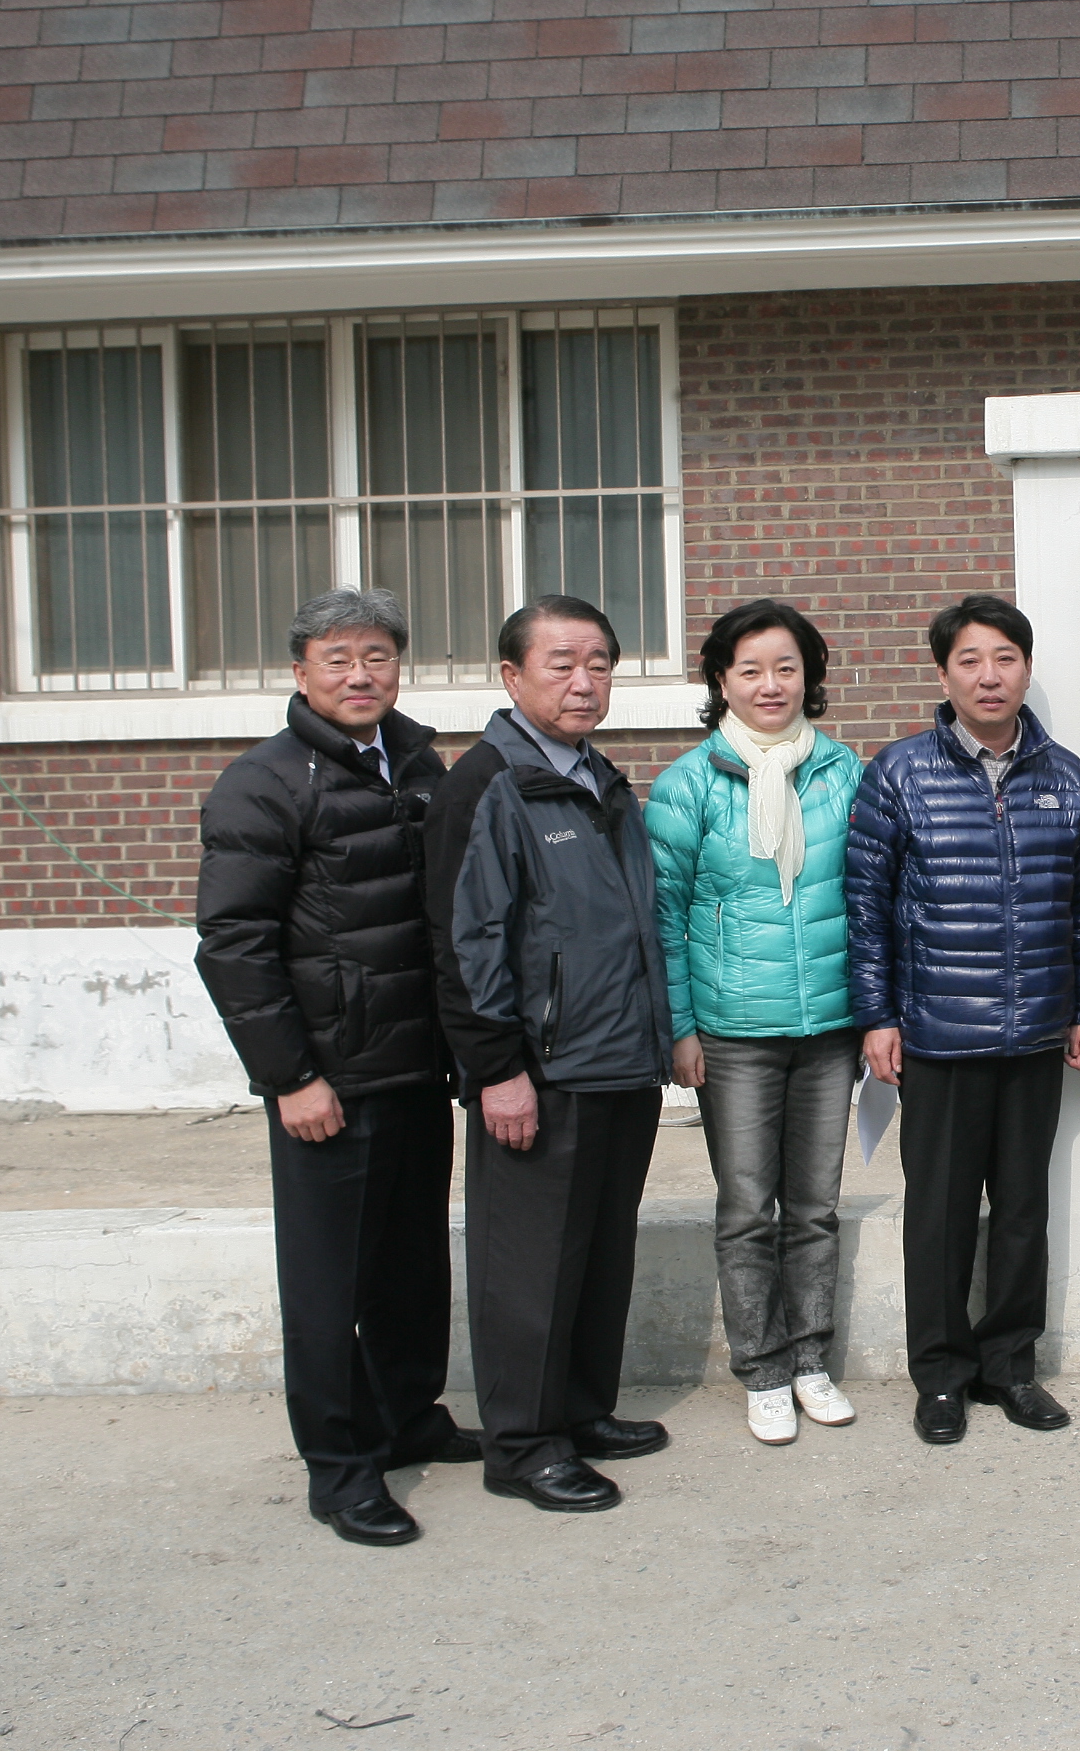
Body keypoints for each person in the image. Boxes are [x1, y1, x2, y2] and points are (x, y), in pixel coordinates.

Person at [194, 588, 474, 1549]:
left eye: (379, 656)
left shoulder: (418, 763)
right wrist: (289, 1077)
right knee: (328, 1283)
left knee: (409, 1266)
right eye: (339, 658)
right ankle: (340, 1465)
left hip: (414, 1067)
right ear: (301, 671)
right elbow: (233, 945)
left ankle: (408, 1420)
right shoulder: (264, 784)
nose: (362, 675)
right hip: (330, 1081)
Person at [424, 593, 673, 1514]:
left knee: (599, 1252)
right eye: (561, 663)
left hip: (619, 1062)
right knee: (527, 1263)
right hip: (542, 1072)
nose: (584, 680)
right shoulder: (486, 785)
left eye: (599, 662)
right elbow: (462, 943)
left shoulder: (598, 777)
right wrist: (496, 1071)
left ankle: (578, 1410)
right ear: (512, 676)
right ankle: (523, 1445)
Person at [844, 594, 1080, 1447]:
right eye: (970, 660)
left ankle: (1010, 1367)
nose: (989, 676)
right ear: (943, 673)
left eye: (1005, 658)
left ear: (1027, 669)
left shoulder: (1065, 776)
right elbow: (867, 910)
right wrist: (878, 1017)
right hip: (937, 1034)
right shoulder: (898, 773)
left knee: (1024, 1210)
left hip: (1036, 1030)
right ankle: (942, 1376)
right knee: (942, 1215)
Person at [648, 600, 866, 1449]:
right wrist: (681, 1027)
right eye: (751, 670)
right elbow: (665, 915)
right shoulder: (688, 784)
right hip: (733, 1031)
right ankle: (763, 1368)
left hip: (830, 1028)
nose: (770, 685)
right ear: (720, 681)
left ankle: (811, 1359)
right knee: (747, 1208)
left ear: (810, 674)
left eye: (786, 667)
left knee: (814, 1207)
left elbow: (873, 899)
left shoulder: (846, 773)